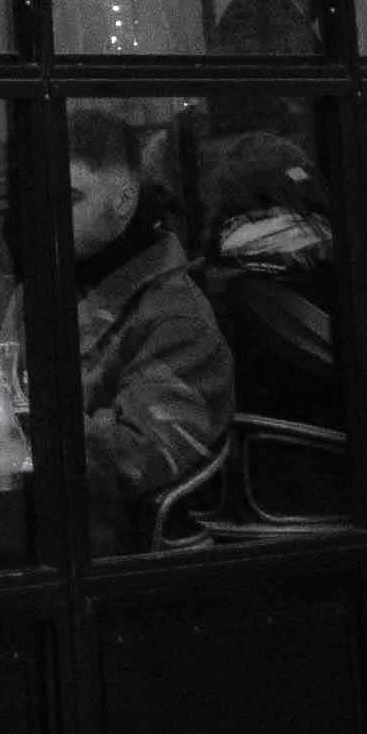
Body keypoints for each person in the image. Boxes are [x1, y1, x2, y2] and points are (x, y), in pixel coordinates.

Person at [70, 108, 237, 546]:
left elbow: (139, 454)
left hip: (113, 551)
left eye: (70, 198)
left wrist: (13, 422)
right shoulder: (52, 288)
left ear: (123, 201)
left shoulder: (175, 314)